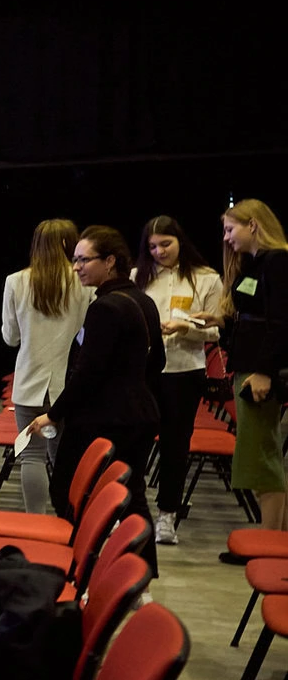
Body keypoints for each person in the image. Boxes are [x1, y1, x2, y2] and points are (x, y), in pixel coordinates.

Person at [26, 226, 163, 539]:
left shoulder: (105, 307)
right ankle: (135, 582)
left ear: (110, 261)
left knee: (68, 491)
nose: (75, 267)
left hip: (104, 418)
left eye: (83, 260)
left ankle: (82, 568)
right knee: (131, 496)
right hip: (139, 414)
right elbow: (158, 364)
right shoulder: (143, 301)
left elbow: (87, 373)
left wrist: (54, 413)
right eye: (74, 259)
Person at [135, 216, 223, 544]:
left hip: (185, 371)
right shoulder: (137, 276)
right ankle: (128, 510)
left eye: (166, 244)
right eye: (153, 246)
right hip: (144, 370)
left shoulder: (206, 278)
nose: (159, 251)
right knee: (136, 442)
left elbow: (216, 329)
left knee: (175, 446)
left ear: (180, 241)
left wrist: (187, 327)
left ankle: (167, 515)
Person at [0, 219, 92, 514]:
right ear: (70, 244)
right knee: (64, 457)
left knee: (31, 456)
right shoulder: (83, 283)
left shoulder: (16, 281)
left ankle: (34, 522)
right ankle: (67, 519)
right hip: (69, 386)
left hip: (29, 382)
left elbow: (10, 337)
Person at [208, 199, 288, 532]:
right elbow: (253, 318)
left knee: (260, 458)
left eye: (231, 229)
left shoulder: (278, 261)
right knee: (258, 455)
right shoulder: (254, 264)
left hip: (260, 371)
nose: (227, 237)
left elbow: (282, 322)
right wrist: (215, 322)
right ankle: (274, 537)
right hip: (249, 366)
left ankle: (269, 541)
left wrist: (265, 371)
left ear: (252, 225)